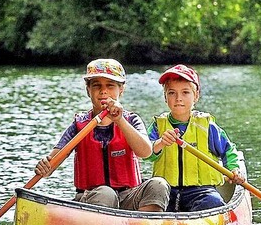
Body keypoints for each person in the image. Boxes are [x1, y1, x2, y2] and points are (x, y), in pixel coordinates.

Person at [34, 58, 170, 211]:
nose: (103, 91)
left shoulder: (131, 120)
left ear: (121, 89)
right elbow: (52, 164)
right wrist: (45, 166)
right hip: (92, 198)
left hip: (128, 196)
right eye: (96, 85)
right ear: (88, 90)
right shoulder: (78, 126)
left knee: (159, 184)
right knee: (106, 193)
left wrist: (120, 121)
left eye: (110, 86)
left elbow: (145, 152)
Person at [146, 64, 244, 212]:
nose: (178, 98)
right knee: (150, 201)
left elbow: (228, 150)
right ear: (165, 97)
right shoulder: (158, 126)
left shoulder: (207, 126)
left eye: (185, 92)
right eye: (172, 93)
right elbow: (146, 154)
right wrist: (160, 143)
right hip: (167, 191)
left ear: (196, 96)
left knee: (213, 202)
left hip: (200, 191)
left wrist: (234, 168)